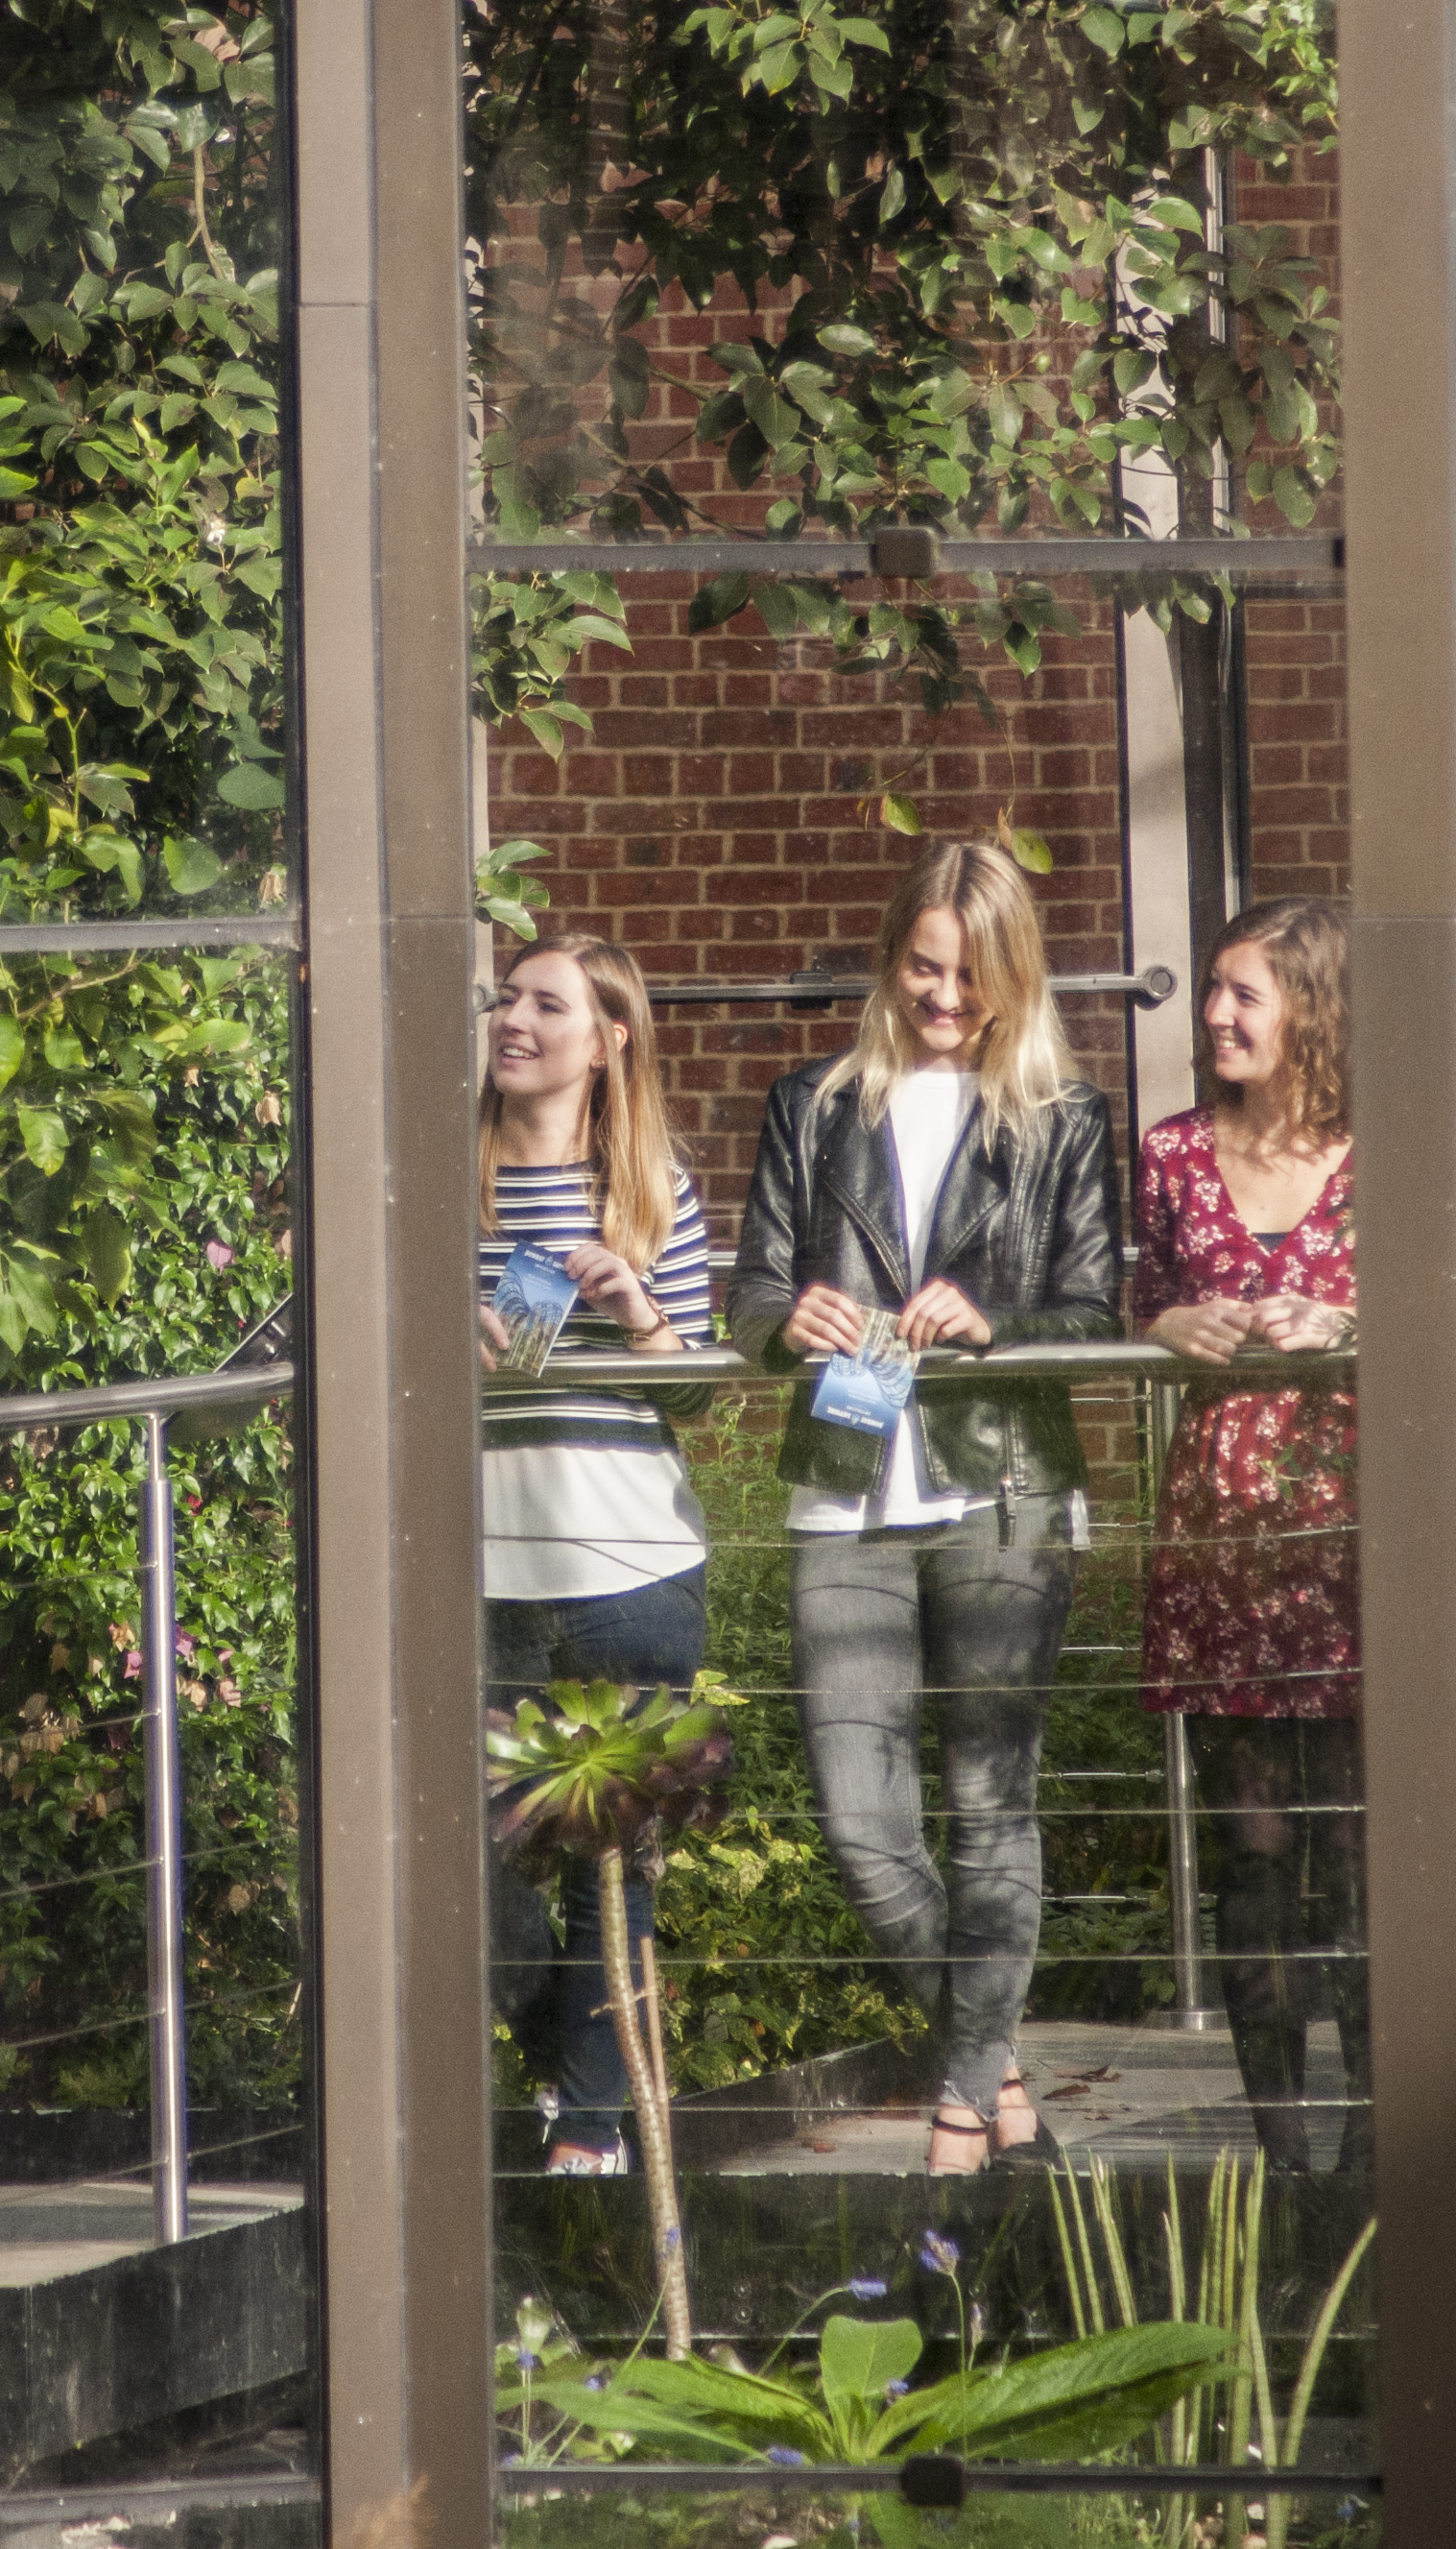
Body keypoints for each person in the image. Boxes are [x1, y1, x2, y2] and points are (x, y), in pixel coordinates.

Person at [725, 834, 1125, 2180]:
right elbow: (748, 1291)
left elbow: (1092, 1305)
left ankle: (962, 2123)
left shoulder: (1065, 1119)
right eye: (921, 965)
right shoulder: (811, 1104)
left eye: (970, 973)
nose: (943, 996)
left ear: (1013, 976)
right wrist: (791, 1317)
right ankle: (998, 2074)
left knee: (987, 1799)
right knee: (859, 1823)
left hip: (999, 1487)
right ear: (891, 960)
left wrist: (994, 1319)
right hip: (843, 1492)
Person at [478, 933, 722, 2176]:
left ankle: (590, 2126)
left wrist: (638, 1314)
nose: (511, 1017)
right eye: (506, 997)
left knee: (613, 1871)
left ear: (606, 1039)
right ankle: (540, 2061)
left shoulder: (652, 1187)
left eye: (543, 1003)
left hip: (630, 1573)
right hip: (477, 1579)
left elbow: (699, 1403)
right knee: (478, 1861)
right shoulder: (443, 1177)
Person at [1131, 895, 1366, 2171]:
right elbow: (1140, 1291)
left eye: (1243, 994)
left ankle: (1388, 2158)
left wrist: (1355, 1322)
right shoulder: (1172, 1153)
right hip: (1222, 1542)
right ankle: (1286, 2157)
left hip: (1356, 1537)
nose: (1215, 1015)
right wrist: (1165, 1324)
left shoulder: (1389, 1147)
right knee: (1257, 1857)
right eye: (1215, 992)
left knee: (1364, 1853)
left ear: (1311, 1010)